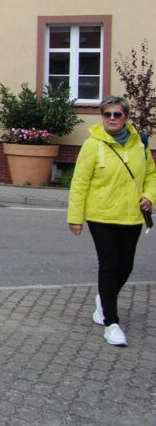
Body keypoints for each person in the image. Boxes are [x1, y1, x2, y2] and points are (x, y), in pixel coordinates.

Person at [68, 95, 155, 347]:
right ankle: (111, 323)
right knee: (109, 265)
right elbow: (80, 182)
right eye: (107, 114)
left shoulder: (141, 143)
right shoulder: (92, 145)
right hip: (101, 215)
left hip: (131, 216)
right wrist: (76, 218)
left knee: (125, 267)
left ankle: (103, 301)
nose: (112, 119)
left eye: (117, 114)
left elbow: (151, 175)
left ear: (126, 117)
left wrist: (150, 196)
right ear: (102, 117)